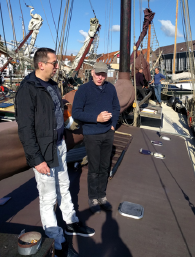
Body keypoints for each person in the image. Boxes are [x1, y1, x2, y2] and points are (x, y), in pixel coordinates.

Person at [15, 48, 95, 257]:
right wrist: (36, 159)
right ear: (41, 64)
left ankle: (71, 223)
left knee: (65, 187)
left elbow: (56, 114)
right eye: (54, 63)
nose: (57, 66)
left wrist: (70, 123)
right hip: (43, 153)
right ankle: (58, 243)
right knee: (48, 198)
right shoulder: (27, 90)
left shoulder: (51, 86)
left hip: (58, 146)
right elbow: (25, 128)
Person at [72, 61, 120, 213]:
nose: (100, 77)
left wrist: (113, 125)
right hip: (92, 134)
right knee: (94, 168)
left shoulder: (110, 88)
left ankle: (102, 196)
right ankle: (93, 198)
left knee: (105, 166)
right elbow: (76, 113)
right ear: (92, 72)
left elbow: (116, 107)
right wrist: (96, 118)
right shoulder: (83, 90)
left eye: (103, 74)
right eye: (97, 74)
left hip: (108, 133)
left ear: (107, 74)